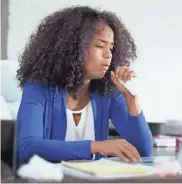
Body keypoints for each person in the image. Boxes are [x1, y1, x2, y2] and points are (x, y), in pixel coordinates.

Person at [16, 5, 153, 165]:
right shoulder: (38, 87)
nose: (108, 55)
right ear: (74, 47)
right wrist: (96, 147)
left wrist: (132, 100)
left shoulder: (108, 91)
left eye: (111, 48)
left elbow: (142, 151)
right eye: (100, 46)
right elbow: (27, 147)